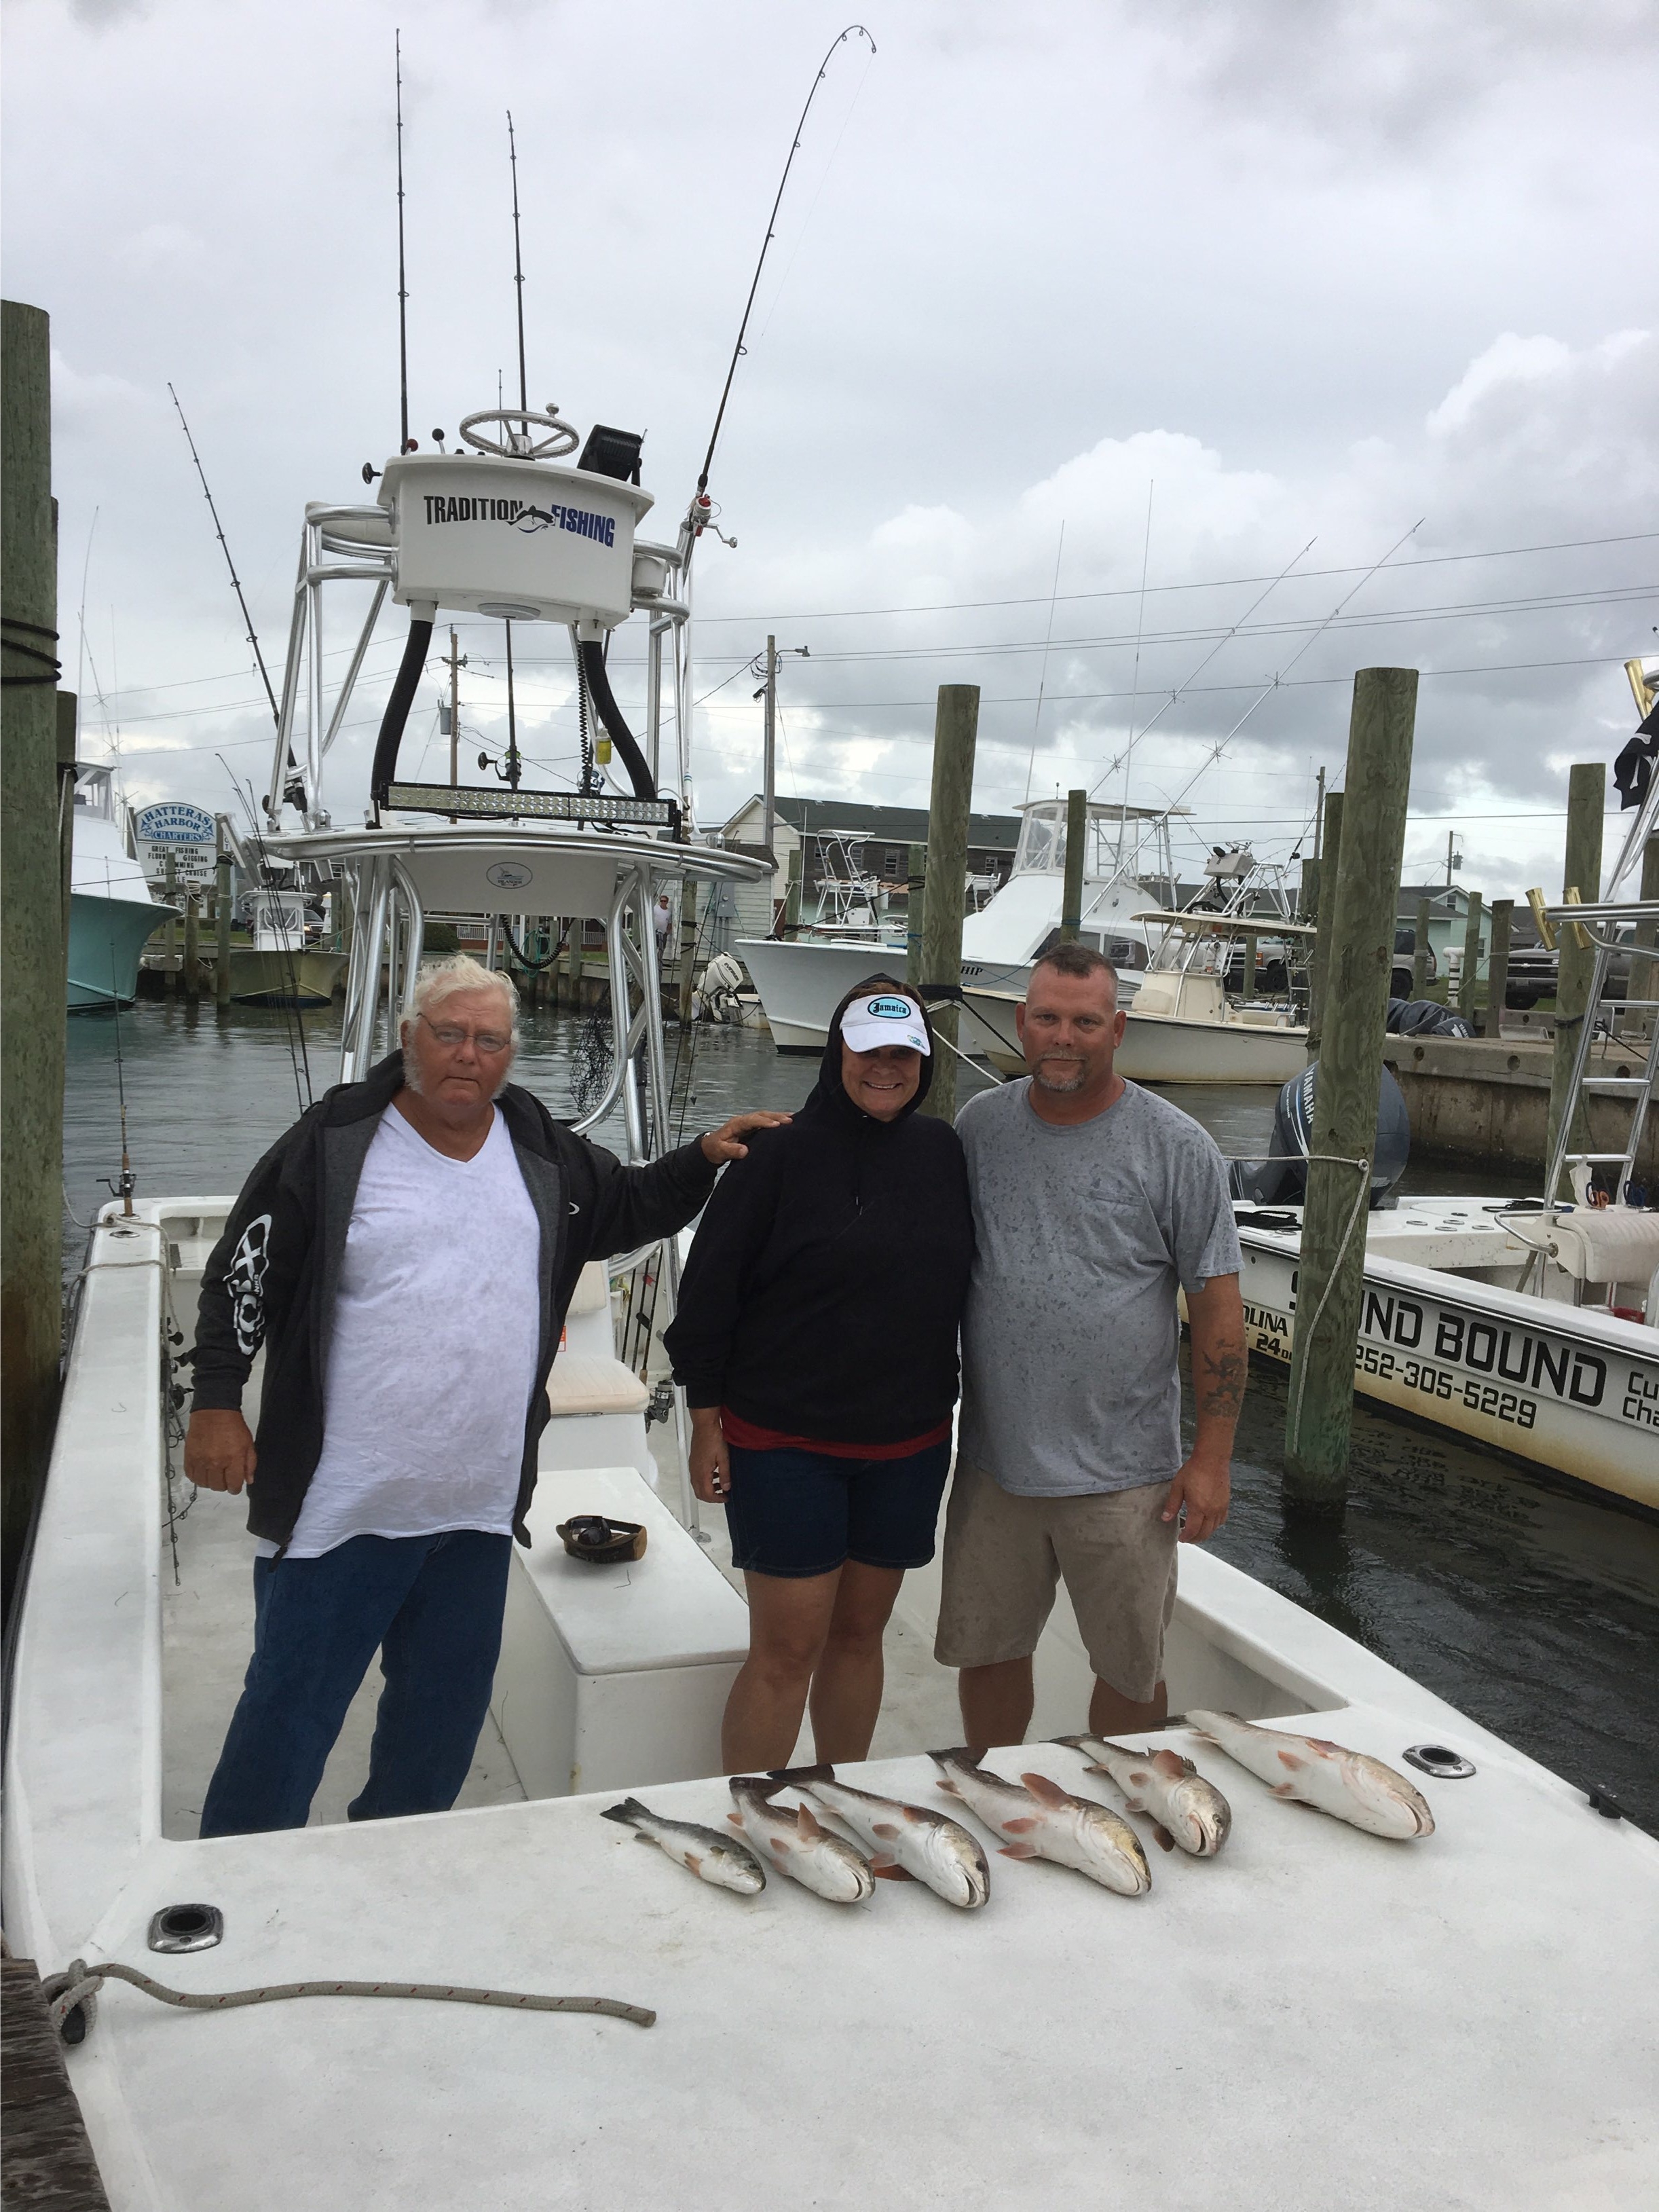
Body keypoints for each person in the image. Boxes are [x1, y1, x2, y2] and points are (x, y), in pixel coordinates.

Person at [185, 953, 785, 1835]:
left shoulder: (539, 1143)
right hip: (338, 1509)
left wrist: (702, 1157)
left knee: (440, 1726)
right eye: (450, 1033)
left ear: (510, 1052)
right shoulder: (334, 1140)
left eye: (489, 1039)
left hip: (473, 1510)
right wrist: (216, 1397)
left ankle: (397, 1859)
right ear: (408, 1040)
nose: (469, 1054)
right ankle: (229, 1881)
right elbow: (243, 1268)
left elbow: (626, 1204)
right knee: (288, 1714)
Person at [935, 941, 1246, 1747]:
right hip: (995, 1462)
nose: (1061, 1038)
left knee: (1128, 1667)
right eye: (1045, 1019)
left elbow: (1216, 1312)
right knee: (990, 1653)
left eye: (1082, 1021)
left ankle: (1122, 1806)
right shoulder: (978, 1127)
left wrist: (1210, 1459)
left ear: (1117, 1030)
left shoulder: (1178, 1147)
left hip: (1126, 1478)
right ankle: (996, 1791)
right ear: (1020, 1024)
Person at [665, 978, 974, 1773]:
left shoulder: (943, 1152)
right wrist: (706, 1420)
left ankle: (841, 1795)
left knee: (858, 1636)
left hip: (905, 1446)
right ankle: (753, 1817)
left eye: (902, 1052)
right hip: (782, 1442)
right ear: (837, 1051)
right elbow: (706, 1297)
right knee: (785, 1649)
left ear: (923, 1060)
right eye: (867, 1050)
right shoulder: (776, 1153)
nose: (884, 1067)